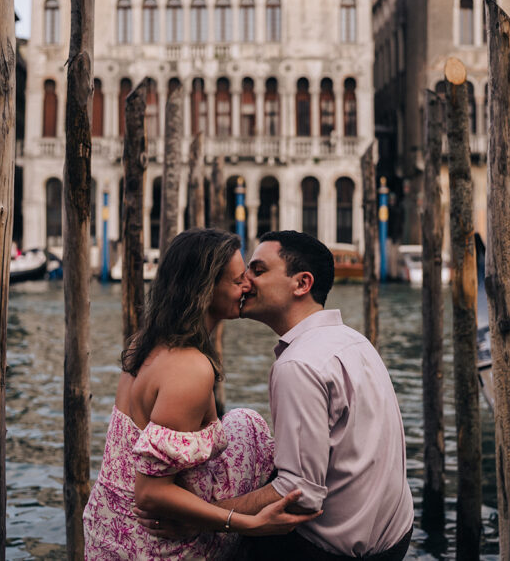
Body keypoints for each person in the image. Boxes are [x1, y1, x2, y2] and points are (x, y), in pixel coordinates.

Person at [145, 230, 414, 559]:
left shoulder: (298, 364)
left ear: (301, 284)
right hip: (396, 539)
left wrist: (204, 519)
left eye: (258, 270)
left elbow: (299, 494)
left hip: (328, 550)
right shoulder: (354, 340)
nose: (245, 282)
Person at [83, 228, 318, 560]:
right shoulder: (190, 369)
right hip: (152, 544)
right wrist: (246, 523)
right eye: (238, 280)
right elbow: (150, 494)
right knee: (251, 425)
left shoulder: (145, 342)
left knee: (241, 421)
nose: (248, 285)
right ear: (205, 289)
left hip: (105, 528)